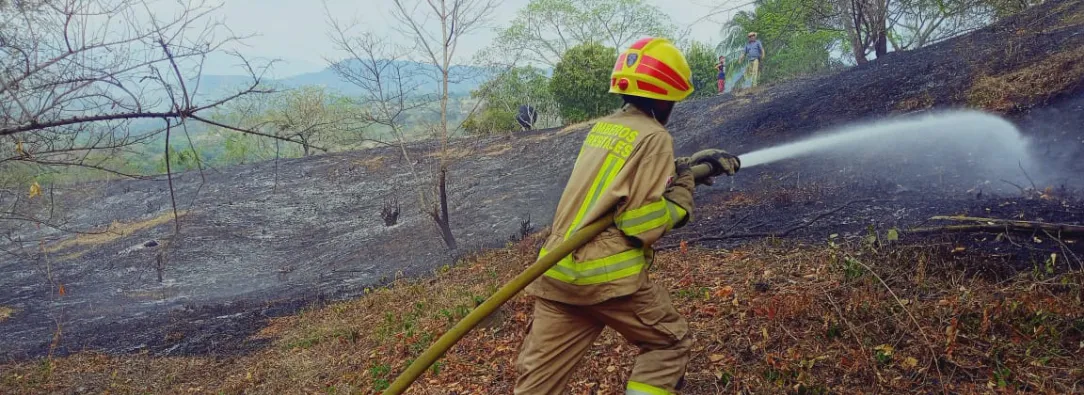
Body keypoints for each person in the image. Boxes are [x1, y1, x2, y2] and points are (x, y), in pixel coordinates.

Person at [514, 37, 740, 395]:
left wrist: (677, 169)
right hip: (607, 277)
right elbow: (641, 223)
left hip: (559, 273)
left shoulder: (605, 127)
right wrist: (682, 193)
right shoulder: (655, 137)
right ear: (667, 96)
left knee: (537, 386)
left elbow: (616, 184)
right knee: (669, 344)